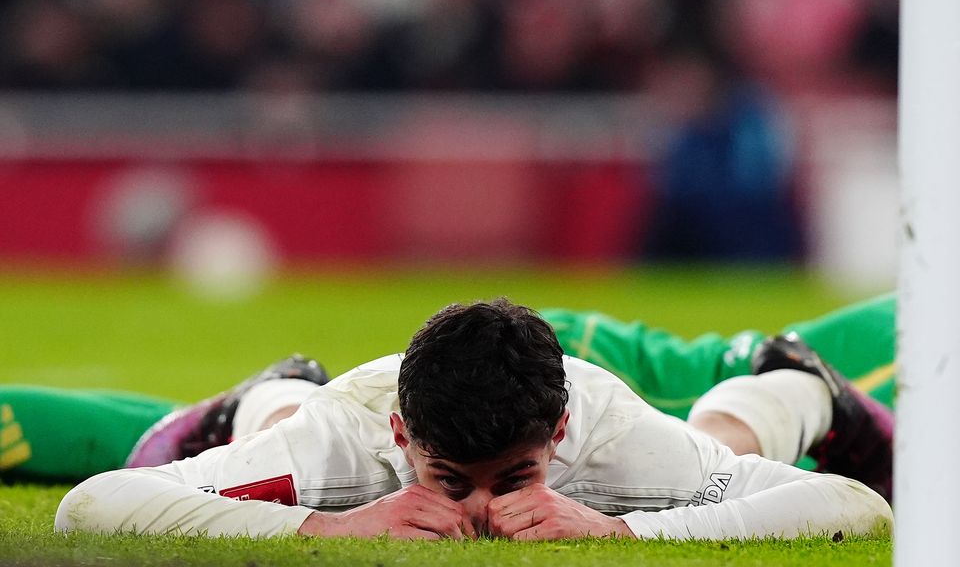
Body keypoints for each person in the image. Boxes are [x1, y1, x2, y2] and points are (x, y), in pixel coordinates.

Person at [54, 299, 892, 541]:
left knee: (723, 443)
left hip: (600, 384)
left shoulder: (609, 440)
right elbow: (88, 506)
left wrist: (623, 536)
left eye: (516, 478)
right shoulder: (344, 438)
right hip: (334, 405)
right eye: (451, 481)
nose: (485, 515)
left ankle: (799, 387)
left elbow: (857, 509)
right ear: (402, 439)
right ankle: (266, 392)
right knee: (281, 434)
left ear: (556, 440)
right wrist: (328, 531)